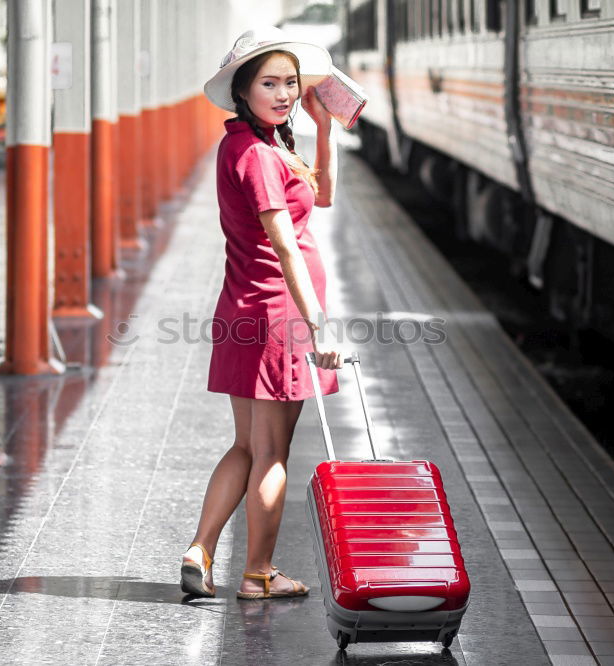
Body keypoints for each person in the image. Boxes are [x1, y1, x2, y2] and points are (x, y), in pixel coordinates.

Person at [180, 26, 343, 600]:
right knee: (272, 453)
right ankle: (258, 573)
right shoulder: (257, 154)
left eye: (291, 83)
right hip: (277, 317)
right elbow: (285, 243)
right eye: (269, 83)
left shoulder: (263, 145)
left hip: (247, 308)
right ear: (243, 90)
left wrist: (323, 128)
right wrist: (317, 324)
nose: (283, 93)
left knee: (247, 446)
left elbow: (319, 199)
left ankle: (200, 550)